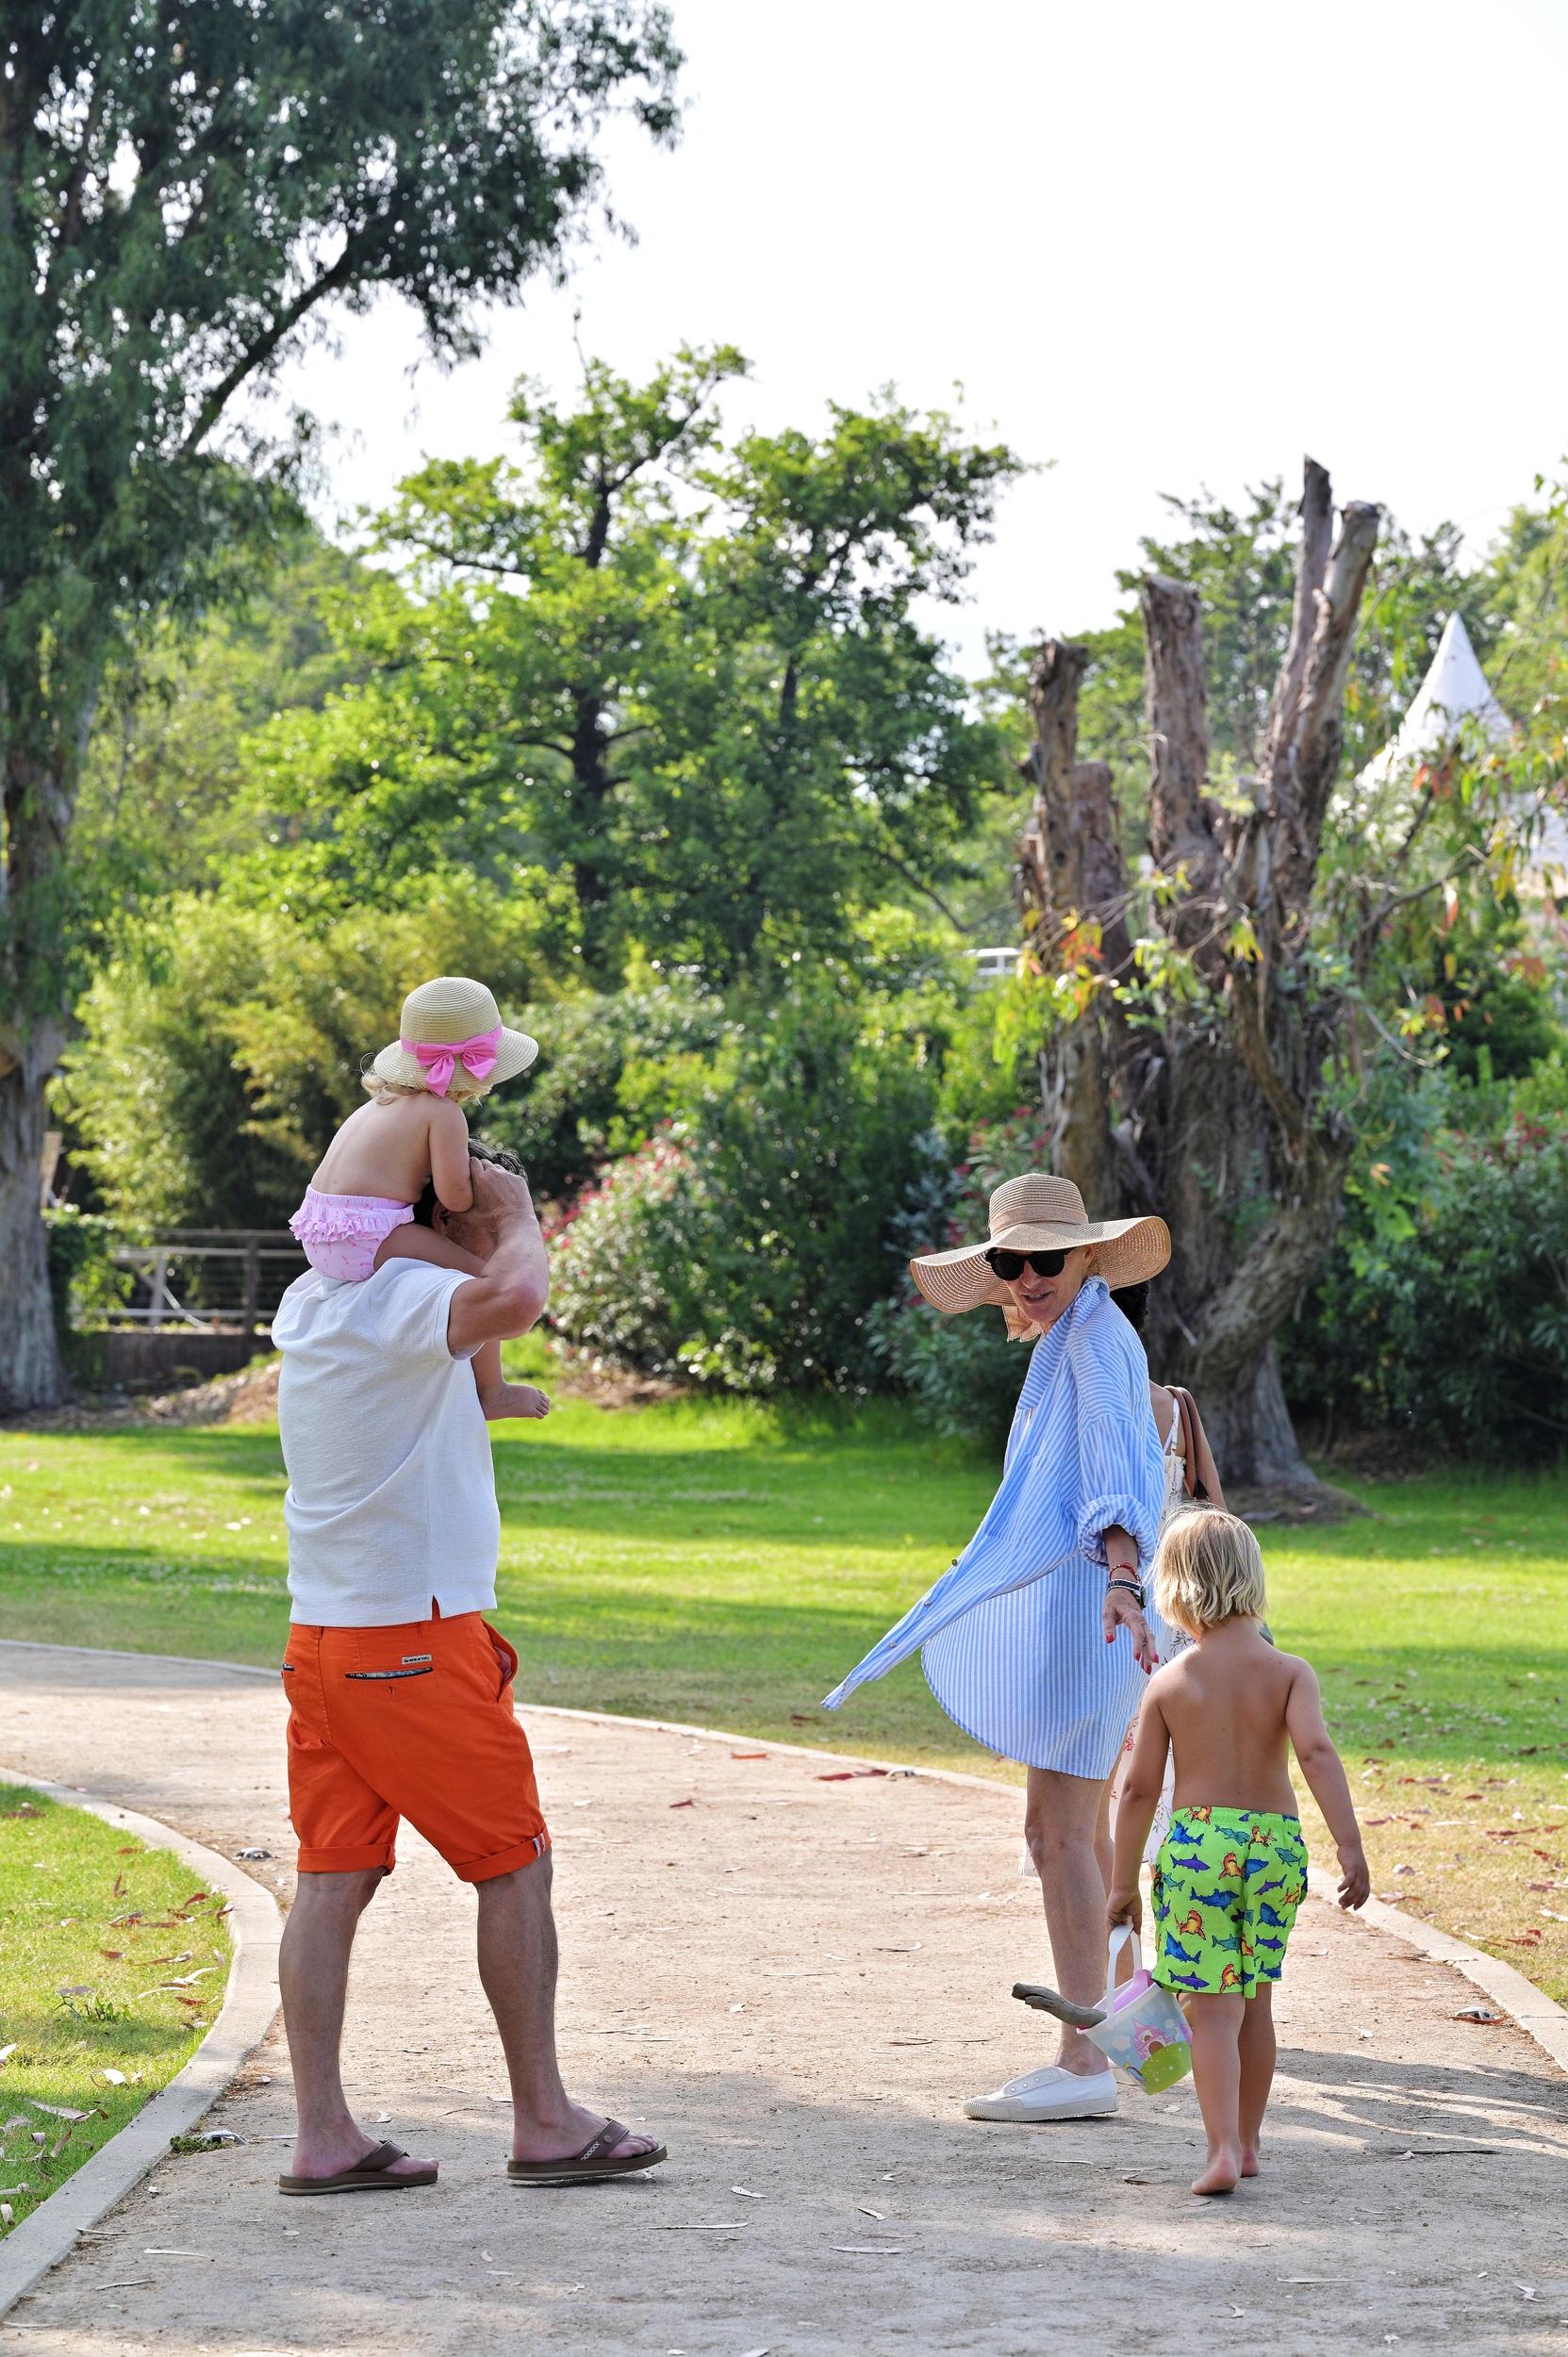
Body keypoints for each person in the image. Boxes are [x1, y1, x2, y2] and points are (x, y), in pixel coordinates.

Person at [271, 1141, 666, 2194]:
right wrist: (519, 1214)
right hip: (411, 1640)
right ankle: (543, 2117)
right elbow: (520, 1294)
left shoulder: (313, 1300)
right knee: (514, 1860)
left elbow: (455, 1371)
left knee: (332, 1876)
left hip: (327, 1642)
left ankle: (323, 2136)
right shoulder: (400, 1297)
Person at [822, 1172, 1172, 2124]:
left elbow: (1111, 1469)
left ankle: (1083, 2059)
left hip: (1095, 1610)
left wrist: (1121, 1579)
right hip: (1091, 1610)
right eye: (1010, 1262)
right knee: (1078, 1834)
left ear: (1087, 1255)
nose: (1026, 1277)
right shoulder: (1075, 1337)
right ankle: (1136, 2042)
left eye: (1044, 1259)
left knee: (1058, 1835)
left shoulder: (1094, 1344)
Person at [1107, 1508, 1369, 2195]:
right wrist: (1349, 1845)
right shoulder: (1288, 1672)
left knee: (1210, 2008)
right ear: (1252, 1581)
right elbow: (1314, 1752)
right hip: (1274, 1847)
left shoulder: (1167, 1683)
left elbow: (1137, 1792)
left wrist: (1120, 1882)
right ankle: (1250, 2143)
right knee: (1255, 2000)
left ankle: (1220, 2149)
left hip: (1199, 1845)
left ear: (1174, 1592)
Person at [288, 975, 548, 1422]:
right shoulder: (443, 1113)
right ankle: (492, 1390)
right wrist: (488, 1193)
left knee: (472, 1280)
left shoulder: (376, 1107)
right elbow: (453, 1196)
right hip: (372, 1235)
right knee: (486, 1281)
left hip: (320, 1233)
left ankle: (485, 1385)